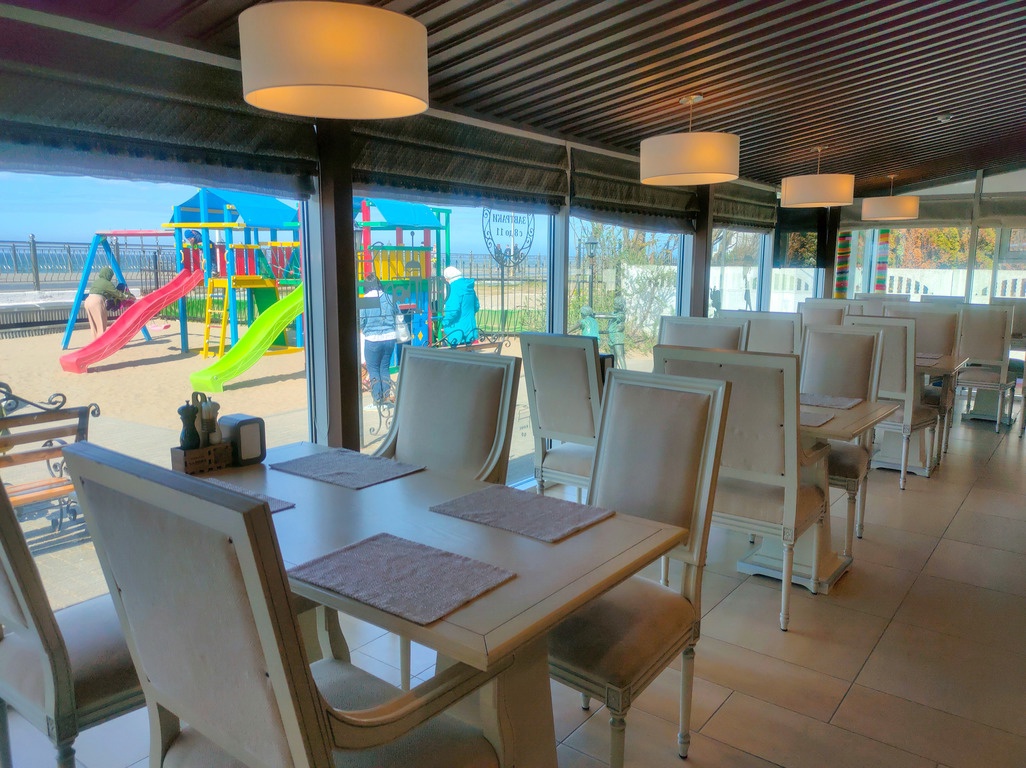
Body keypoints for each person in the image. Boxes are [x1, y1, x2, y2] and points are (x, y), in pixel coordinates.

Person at [358, 274, 399, 405]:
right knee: (384, 367)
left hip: (372, 340)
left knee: (373, 368)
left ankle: (377, 398)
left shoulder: (364, 301)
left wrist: (365, 330)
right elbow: (398, 314)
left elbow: (361, 322)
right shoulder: (390, 298)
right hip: (390, 338)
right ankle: (386, 396)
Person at [83, 266, 134, 340]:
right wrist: (127, 297)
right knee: (101, 323)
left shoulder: (96, 281)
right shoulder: (107, 283)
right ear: (108, 274)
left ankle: (95, 340)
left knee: (93, 324)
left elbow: (106, 293)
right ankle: (101, 342)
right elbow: (117, 293)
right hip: (97, 302)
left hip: (88, 301)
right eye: (110, 275)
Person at [441, 266, 480, 346]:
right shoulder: (468, 286)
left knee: (455, 351)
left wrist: (444, 321)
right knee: (468, 350)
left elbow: (453, 310)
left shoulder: (453, 288)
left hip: (457, 329)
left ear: (448, 278)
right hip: (471, 327)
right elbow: (476, 306)